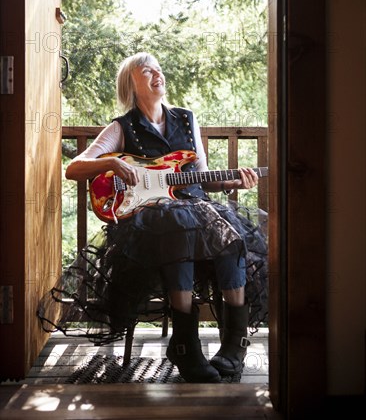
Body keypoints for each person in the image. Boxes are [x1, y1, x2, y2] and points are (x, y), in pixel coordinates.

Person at [38, 51, 268, 384]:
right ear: (130, 83)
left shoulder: (186, 119)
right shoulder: (122, 127)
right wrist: (111, 163)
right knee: (178, 233)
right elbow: (75, 168)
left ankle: (235, 346)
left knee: (231, 237)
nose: (157, 74)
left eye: (159, 69)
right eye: (147, 71)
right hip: (151, 224)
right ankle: (186, 345)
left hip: (195, 209)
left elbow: (202, 177)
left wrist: (234, 181)